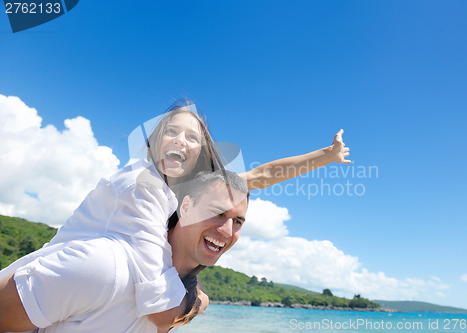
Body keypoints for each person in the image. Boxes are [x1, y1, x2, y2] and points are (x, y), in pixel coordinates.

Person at [0, 99, 351, 331]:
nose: (180, 140)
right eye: (171, 131)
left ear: (202, 153)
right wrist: (197, 301)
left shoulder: (193, 188)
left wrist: (326, 155)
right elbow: (161, 307)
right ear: (153, 144)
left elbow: (259, 177)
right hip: (61, 275)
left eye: (191, 137)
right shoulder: (143, 184)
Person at [0, 170, 249, 333]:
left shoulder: (178, 295)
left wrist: (195, 304)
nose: (227, 231)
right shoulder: (104, 267)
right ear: (186, 207)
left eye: (238, 222)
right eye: (218, 212)